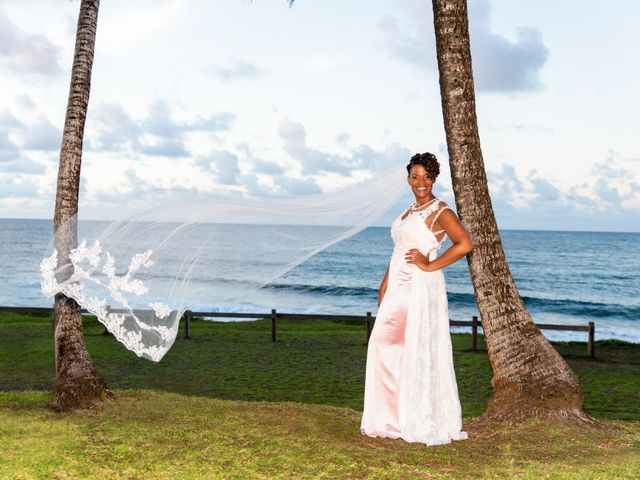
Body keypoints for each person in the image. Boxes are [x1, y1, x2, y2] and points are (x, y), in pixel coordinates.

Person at [360, 152, 473, 445]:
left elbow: (465, 244)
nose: (420, 182)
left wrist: (429, 264)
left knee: (387, 343)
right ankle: (392, 418)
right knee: (393, 347)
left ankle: (401, 419)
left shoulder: (441, 210)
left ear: (433, 178)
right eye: (415, 176)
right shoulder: (409, 210)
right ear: (408, 179)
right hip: (396, 283)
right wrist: (384, 284)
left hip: (416, 287)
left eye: (426, 176)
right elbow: (399, 250)